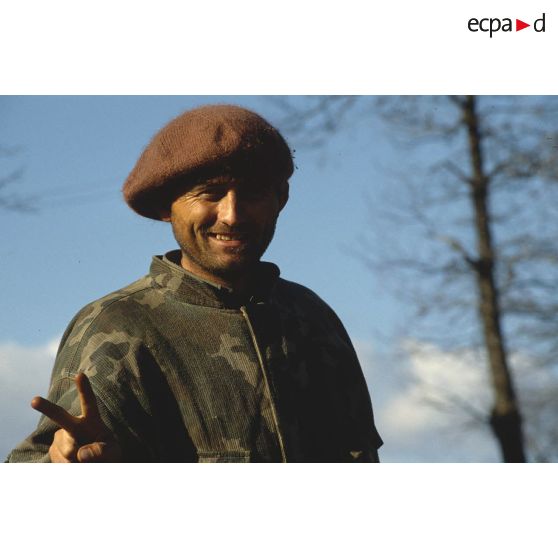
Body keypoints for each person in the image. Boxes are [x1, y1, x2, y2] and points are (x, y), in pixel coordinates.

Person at [6, 104, 383, 463]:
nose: (232, 215)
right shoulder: (117, 325)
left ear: (280, 199)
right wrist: (62, 464)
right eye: (210, 193)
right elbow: (43, 460)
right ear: (167, 207)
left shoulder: (312, 318)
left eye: (252, 193)